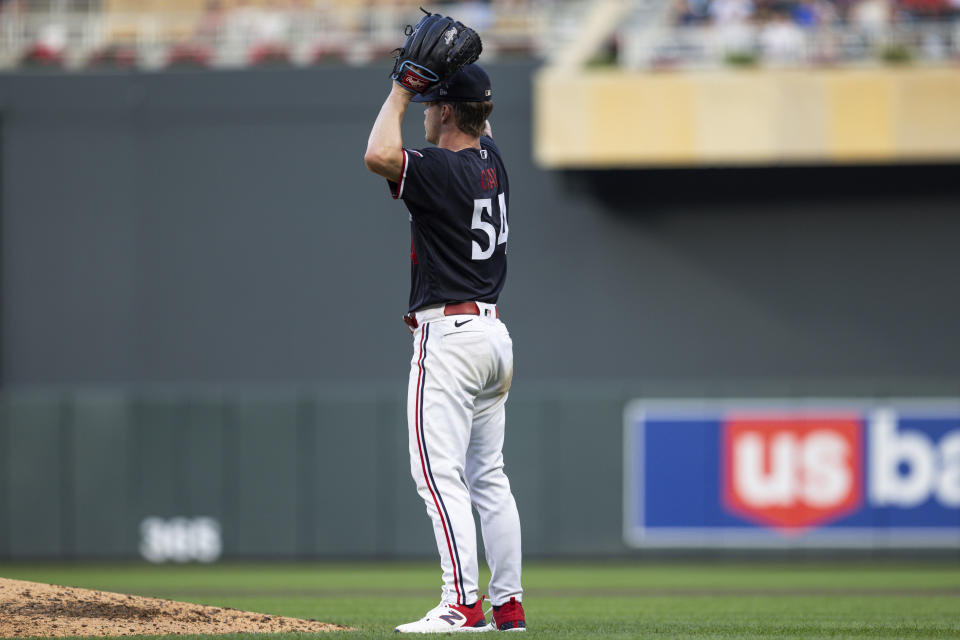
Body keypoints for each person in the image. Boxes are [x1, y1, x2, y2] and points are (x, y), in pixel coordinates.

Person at [363, 63, 526, 633]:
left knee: (437, 475)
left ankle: (460, 603)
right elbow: (480, 121)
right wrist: (462, 83)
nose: (425, 113)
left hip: (451, 339)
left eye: (434, 104)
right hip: (493, 336)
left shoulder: (441, 168)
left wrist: (400, 90)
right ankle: (508, 605)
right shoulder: (492, 161)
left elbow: (379, 154)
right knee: (489, 477)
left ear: (448, 112)